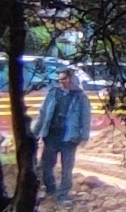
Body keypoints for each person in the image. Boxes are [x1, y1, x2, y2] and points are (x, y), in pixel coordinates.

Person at [36, 67, 93, 202]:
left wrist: (84, 136)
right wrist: (36, 133)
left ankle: (63, 195)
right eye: (59, 79)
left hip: (69, 137)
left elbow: (86, 117)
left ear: (71, 79)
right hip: (51, 135)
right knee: (46, 165)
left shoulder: (81, 97)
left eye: (64, 79)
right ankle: (51, 191)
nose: (61, 82)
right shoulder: (53, 93)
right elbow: (43, 114)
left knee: (67, 167)